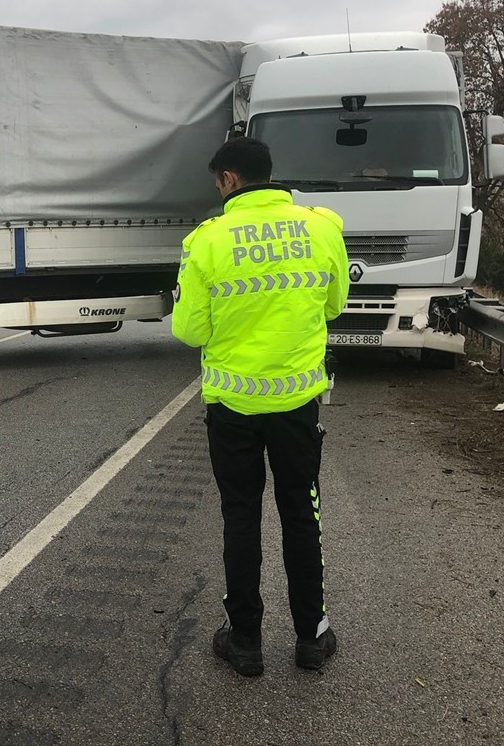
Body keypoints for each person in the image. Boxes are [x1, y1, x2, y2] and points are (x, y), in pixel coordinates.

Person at [171, 136, 348, 676]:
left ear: (228, 178)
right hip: (297, 403)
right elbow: (335, 305)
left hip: (234, 406)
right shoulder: (322, 228)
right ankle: (311, 636)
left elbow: (188, 328)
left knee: (241, 515)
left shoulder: (207, 241)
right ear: (269, 172)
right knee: (301, 512)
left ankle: (246, 640)